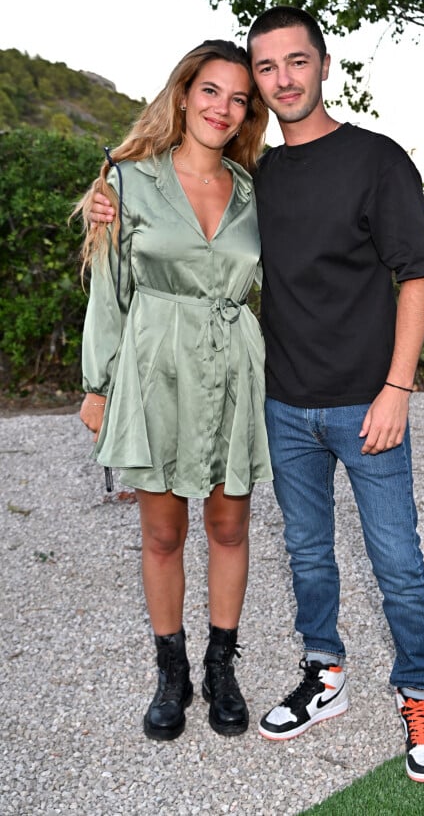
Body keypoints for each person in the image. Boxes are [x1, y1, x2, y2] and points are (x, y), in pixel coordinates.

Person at [89, 7, 424, 783]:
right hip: (272, 400)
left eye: (295, 63)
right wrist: (99, 377)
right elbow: (131, 266)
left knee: (396, 559)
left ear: (323, 66)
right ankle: (313, 674)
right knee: (307, 555)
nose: (276, 81)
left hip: (349, 401)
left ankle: (418, 694)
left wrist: (398, 386)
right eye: (263, 69)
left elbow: (415, 272)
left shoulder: (360, 163)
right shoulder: (231, 178)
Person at [76, 40, 271, 742]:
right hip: (155, 365)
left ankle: (222, 666)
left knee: (228, 525)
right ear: (184, 93)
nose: (224, 107)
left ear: (249, 112)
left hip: (231, 368)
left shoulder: (253, 189)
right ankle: (172, 672)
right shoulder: (127, 181)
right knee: (162, 532)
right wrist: (97, 385)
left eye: (240, 97)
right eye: (211, 91)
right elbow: (109, 291)